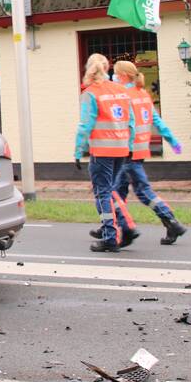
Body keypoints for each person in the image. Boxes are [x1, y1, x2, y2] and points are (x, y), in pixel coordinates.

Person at [107, 60, 188, 245]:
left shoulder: (123, 94)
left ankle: (171, 222)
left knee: (141, 191)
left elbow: (125, 124)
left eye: (116, 74)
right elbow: (157, 121)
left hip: (127, 152)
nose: (114, 77)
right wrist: (173, 142)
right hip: (141, 150)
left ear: (124, 76)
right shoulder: (142, 94)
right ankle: (115, 227)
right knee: (118, 191)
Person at [74, 53, 137, 252]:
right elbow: (131, 122)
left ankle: (110, 237)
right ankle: (125, 227)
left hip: (101, 150)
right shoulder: (121, 91)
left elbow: (85, 124)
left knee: (103, 192)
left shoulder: (90, 93)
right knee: (110, 190)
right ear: (107, 68)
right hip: (121, 148)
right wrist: (131, 146)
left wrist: (78, 150)